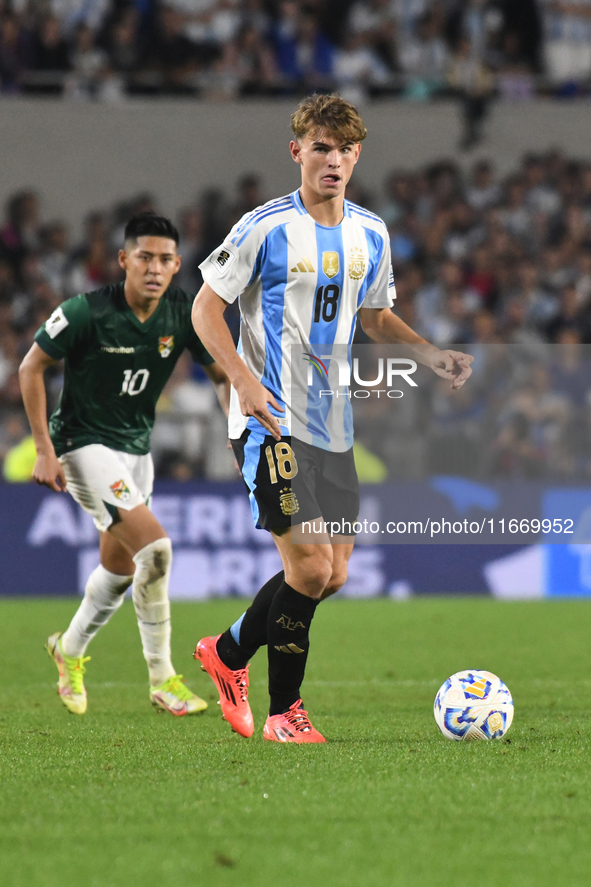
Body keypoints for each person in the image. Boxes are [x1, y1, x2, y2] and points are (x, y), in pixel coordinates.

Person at [191, 93, 473, 743]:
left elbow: (373, 315)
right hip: (268, 418)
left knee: (334, 573)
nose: (333, 160)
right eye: (320, 147)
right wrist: (241, 380)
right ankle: (283, 713)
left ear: (357, 156)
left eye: (345, 149)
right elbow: (206, 309)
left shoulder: (370, 233)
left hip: (331, 421)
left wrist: (429, 356)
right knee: (310, 568)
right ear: (297, 151)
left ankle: (228, 652)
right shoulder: (262, 226)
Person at [19, 213, 229, 717]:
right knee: (155, 552)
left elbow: (222, 374)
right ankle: (163, 678)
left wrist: (238, 433)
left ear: (178, 265)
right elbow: (31, 366)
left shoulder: (183, 312)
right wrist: (45, 449)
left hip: (137, 452)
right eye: (144, 258)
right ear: (124, 260)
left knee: (118, 568)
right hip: (83, 445)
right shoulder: (86, 312)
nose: (154, 268)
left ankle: (67, 649)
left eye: (164, 260)